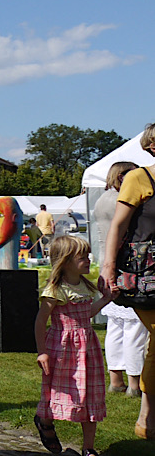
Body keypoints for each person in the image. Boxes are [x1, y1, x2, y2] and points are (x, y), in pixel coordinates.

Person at [32, 235, 113, 456]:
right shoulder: (56, 289)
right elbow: (41, 321)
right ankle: (45, 421)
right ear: (65, 261)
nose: (88, 260)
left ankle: (88, 448)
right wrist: (42, 352)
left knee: (90, 394)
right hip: (62, 347)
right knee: (59, 390)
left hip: (87, 348)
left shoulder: (86, 286)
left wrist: (106, 299)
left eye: (88, 255)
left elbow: (86, 314)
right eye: (82, 257)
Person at [100, 122, 155, 441]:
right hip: (147, 276)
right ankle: (147, 414)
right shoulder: (139, 178)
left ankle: (146, 415)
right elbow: (117, 227)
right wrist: (108, 268)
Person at [96, 161, 146, 398]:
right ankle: (134, 383)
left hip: (106, 263)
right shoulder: (121, 200)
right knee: (134, 327)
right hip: (124, 265)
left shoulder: (101, 199)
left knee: (115, 327)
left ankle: (116, 378)